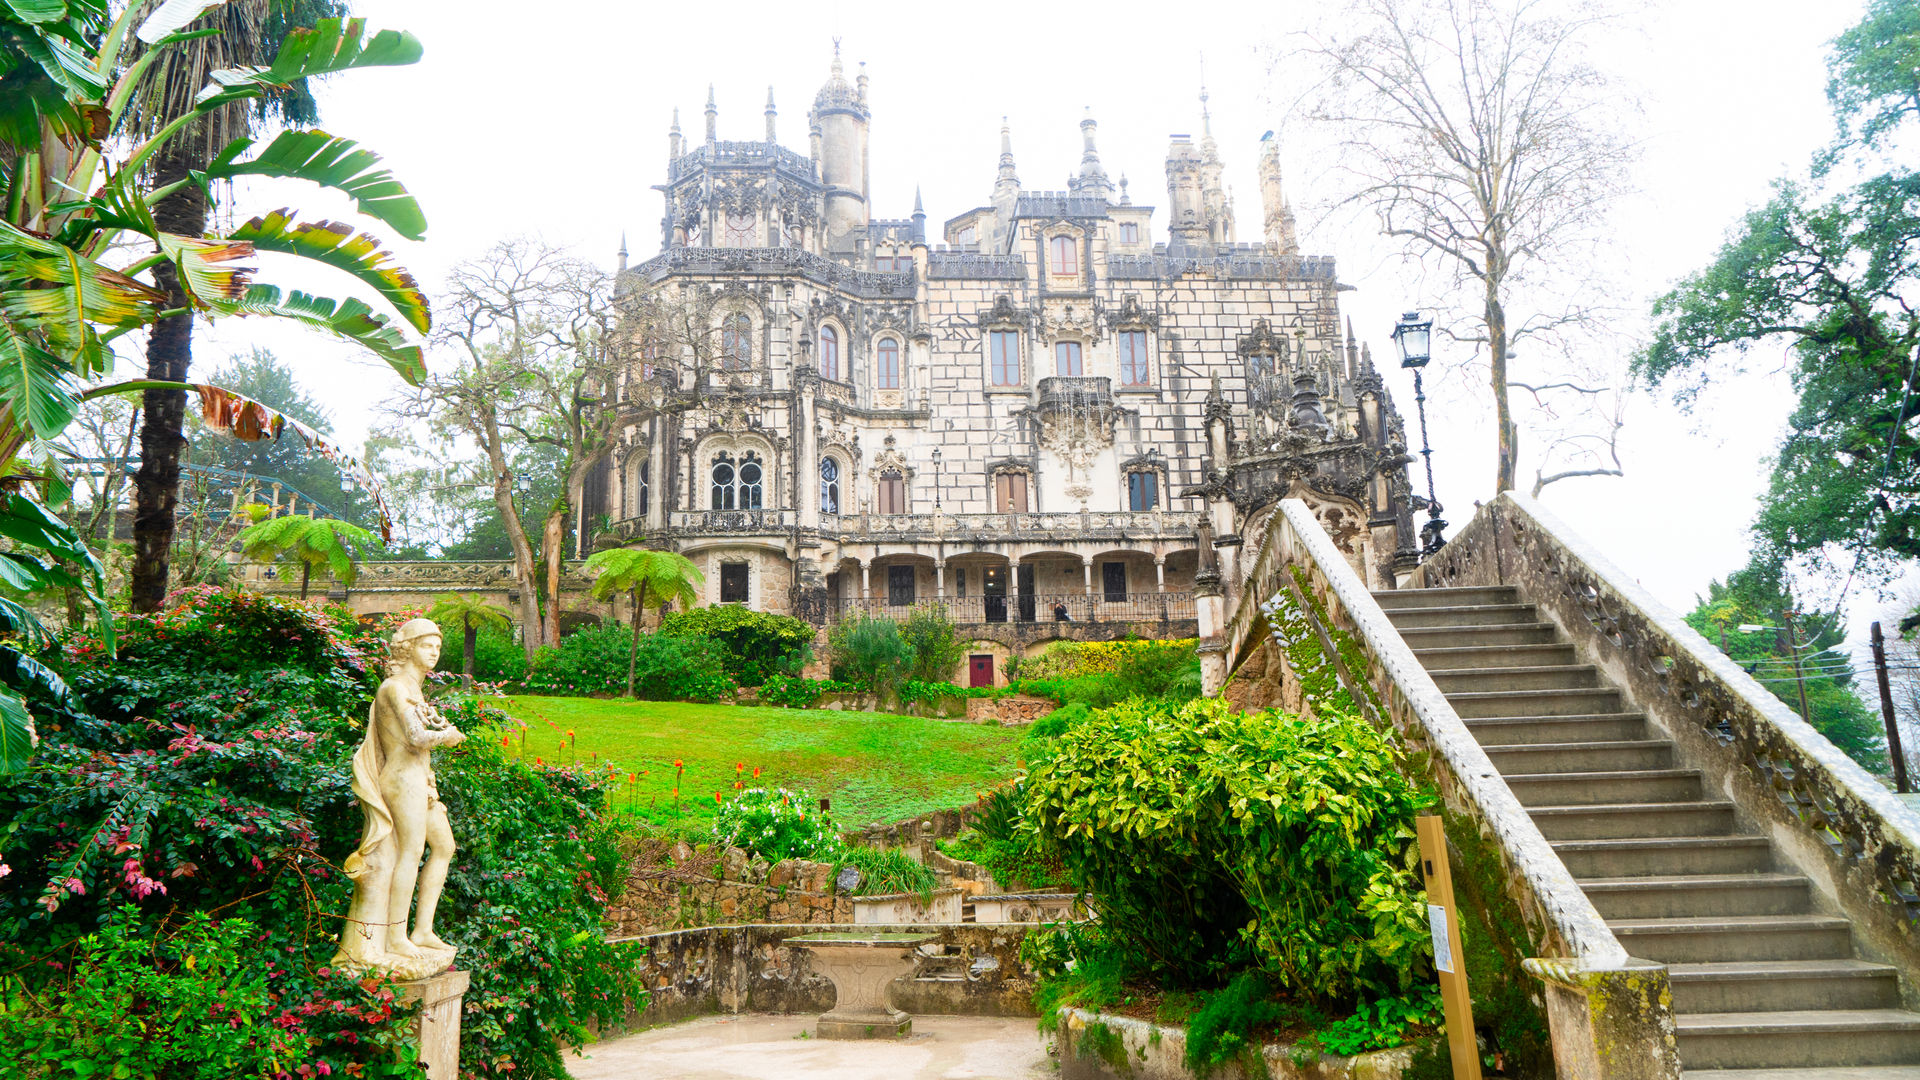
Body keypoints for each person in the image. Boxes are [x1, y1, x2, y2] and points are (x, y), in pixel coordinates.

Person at [333, 618, 466, 978]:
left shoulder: (414, 688)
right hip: (403, 777)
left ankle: (422, 930)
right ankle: (394, 935)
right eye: (427, 645)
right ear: (407, 649)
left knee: (444, 846)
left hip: (420, 779)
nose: (435, 652)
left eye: (438, 646)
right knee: (410, 852)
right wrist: (449, 736)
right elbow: (415, 738)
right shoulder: (395, 687)